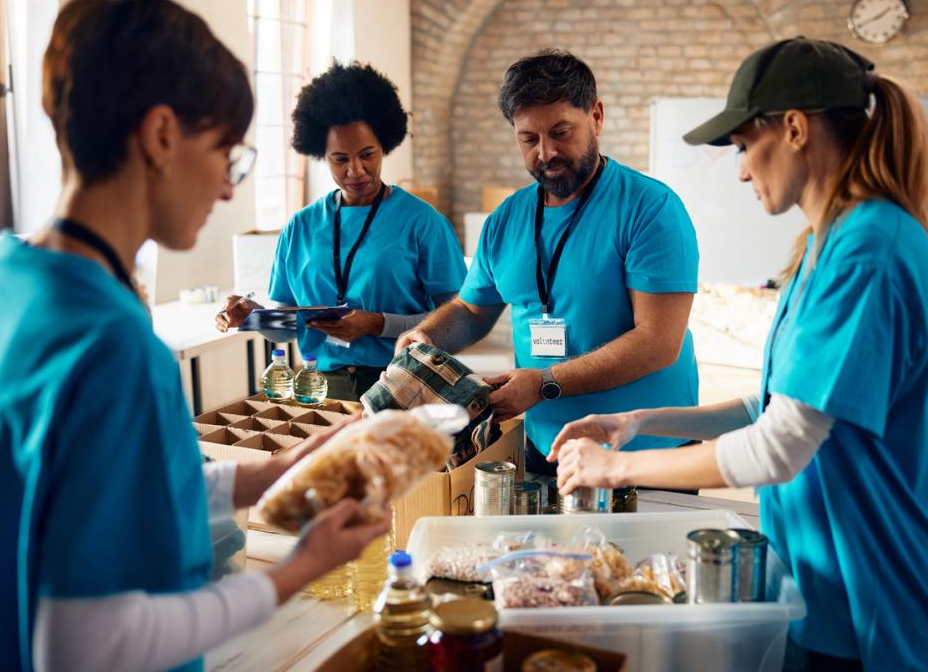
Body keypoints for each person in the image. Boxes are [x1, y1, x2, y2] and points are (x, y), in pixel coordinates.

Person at [0, 0, 389, 672]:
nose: (230, 188)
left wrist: (270, 473)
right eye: (228, 155)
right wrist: (298, 569)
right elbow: (86, 645)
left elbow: (100, 485)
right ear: (160, 136)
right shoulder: (114, 346)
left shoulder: (13, 277)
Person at [548, 38, 928, 672]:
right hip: (815, 575)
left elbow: (778, 446)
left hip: (869, 586)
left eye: (746, 145)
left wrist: (615, 470)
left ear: (796, 128)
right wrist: (638, 425)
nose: (743, 170)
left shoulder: (870, 250)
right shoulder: (821, 246)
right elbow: (770, 403)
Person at [397, 49, 700, 480]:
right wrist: (428, 336)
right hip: (549, 448)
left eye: (561, 132)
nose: (546, 153)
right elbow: (470, 311)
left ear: (595, 116)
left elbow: (658, 341)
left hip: (647, 452)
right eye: (529, 139)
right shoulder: (506, 219)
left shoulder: (651, 209)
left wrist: (543, 382)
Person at [216, 61, 467, 401]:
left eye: (367, 155)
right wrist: (254, 317)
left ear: (385, 146)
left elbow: (456, 324)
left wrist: (376, 324)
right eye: (340, 159)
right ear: (321, 154)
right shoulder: (300, 227)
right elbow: (288, 328)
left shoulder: (423, 222)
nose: (356, 170)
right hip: (322, 387)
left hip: (405, 384)